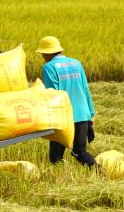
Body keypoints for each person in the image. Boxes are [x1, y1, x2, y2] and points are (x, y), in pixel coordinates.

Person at [36, 36, 96, 167]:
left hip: (64, 117)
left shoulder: (49, 67)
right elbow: (85, 88)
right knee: (80, 152)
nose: (42, 56)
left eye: (42, 53)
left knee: (55, 157)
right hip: (82, 114)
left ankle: (57, 182)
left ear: (48, 53)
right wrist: (91, 113)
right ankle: (101, 173)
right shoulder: (76, 63)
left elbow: (53, 94)